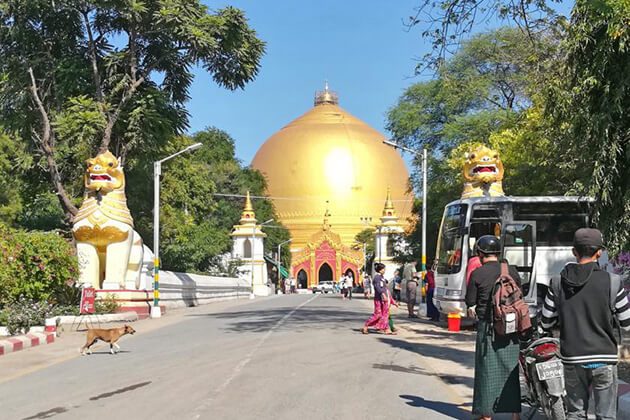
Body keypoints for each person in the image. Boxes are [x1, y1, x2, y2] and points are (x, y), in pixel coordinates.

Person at [541, 228, 630, 420]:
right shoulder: (612, 282)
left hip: (572, 358)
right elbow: (627, 323)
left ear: (574, 251)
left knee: (576, 413)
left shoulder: (557, 283)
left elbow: (545, 321)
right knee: (606, 416)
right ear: (599, 252)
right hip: (604, 357)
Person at [465, 235, 521, 420]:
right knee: (511, 370)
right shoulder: (511, 270)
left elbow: (470, 301)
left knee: (486, 371)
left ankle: (486, 415)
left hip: (488, 327)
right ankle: (515, 415)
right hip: (511, 326)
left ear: (480, 253)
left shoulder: (478, 273)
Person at [362, 263, 393, 335]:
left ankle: (386, 328)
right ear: (380, 270)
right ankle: (366, 325)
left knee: (384, 314)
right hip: (379, 299)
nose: (384, 270)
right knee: (378, 314)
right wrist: (382, 294)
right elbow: (378, 287)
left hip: (383, 299)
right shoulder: (377, 278)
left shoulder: (382, 277)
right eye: (384, 269)